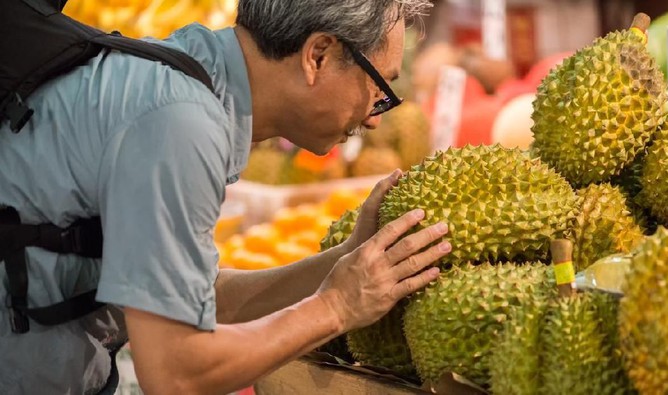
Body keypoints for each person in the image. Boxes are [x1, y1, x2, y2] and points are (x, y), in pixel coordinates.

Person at [0, 0, 450, 393]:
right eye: (380, 91)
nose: (374, 119)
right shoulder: (181, 122)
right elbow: (176, 374)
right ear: (319, 55)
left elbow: (201, 299)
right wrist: (337, 308)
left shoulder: (191, 71)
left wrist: (345, 260)